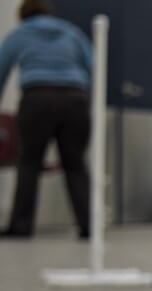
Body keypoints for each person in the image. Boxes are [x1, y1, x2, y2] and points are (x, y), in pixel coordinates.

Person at [0, 0, 92, 239]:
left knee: (29, 162)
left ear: (23, 15)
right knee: (75, 164)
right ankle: (88, 226)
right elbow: (91, 65)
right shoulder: (72, 33)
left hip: (37, 98)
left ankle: (21, 227)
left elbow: (1, 69)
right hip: (75, 98)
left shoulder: (20, 33)